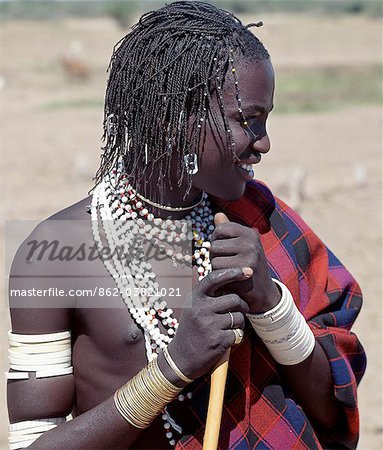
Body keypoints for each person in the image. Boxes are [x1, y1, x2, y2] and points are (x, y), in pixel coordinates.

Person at [6, 2, 366, 449]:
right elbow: (32, 445)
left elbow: (334, 410)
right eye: (247, 121)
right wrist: (173, 368)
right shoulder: (56, 254)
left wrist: (271, 305)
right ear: (175, 119)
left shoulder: (264, 223)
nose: (265, 144)